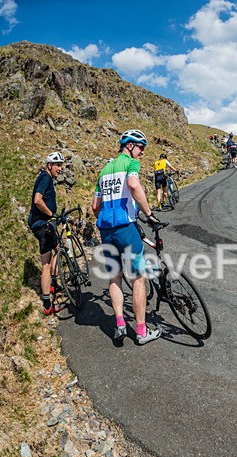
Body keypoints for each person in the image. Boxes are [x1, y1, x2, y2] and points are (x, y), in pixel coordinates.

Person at [92, 129, 162, 345]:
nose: (142, 152)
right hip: (125, 228)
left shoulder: (104, 170)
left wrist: (106, 220)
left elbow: (95, 206)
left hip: (106, 230)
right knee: (138, 278)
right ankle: (141, 332)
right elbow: (133, 185)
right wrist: (149, 214)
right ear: (130, 146)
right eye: (141, 147)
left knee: (115, 277)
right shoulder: (130, 164)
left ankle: (120, 324)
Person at [28, 152, 66, 315]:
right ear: (49, 165)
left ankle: (53, 284)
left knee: (59, 249)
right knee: (45, 264)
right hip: (42, 225)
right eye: (57, 165)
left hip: (45, 225)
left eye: (61, 165)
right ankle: (47, 305)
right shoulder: (45, 177)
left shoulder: (47, 178)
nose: (60, 168)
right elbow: (37, 199)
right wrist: (51, 214)